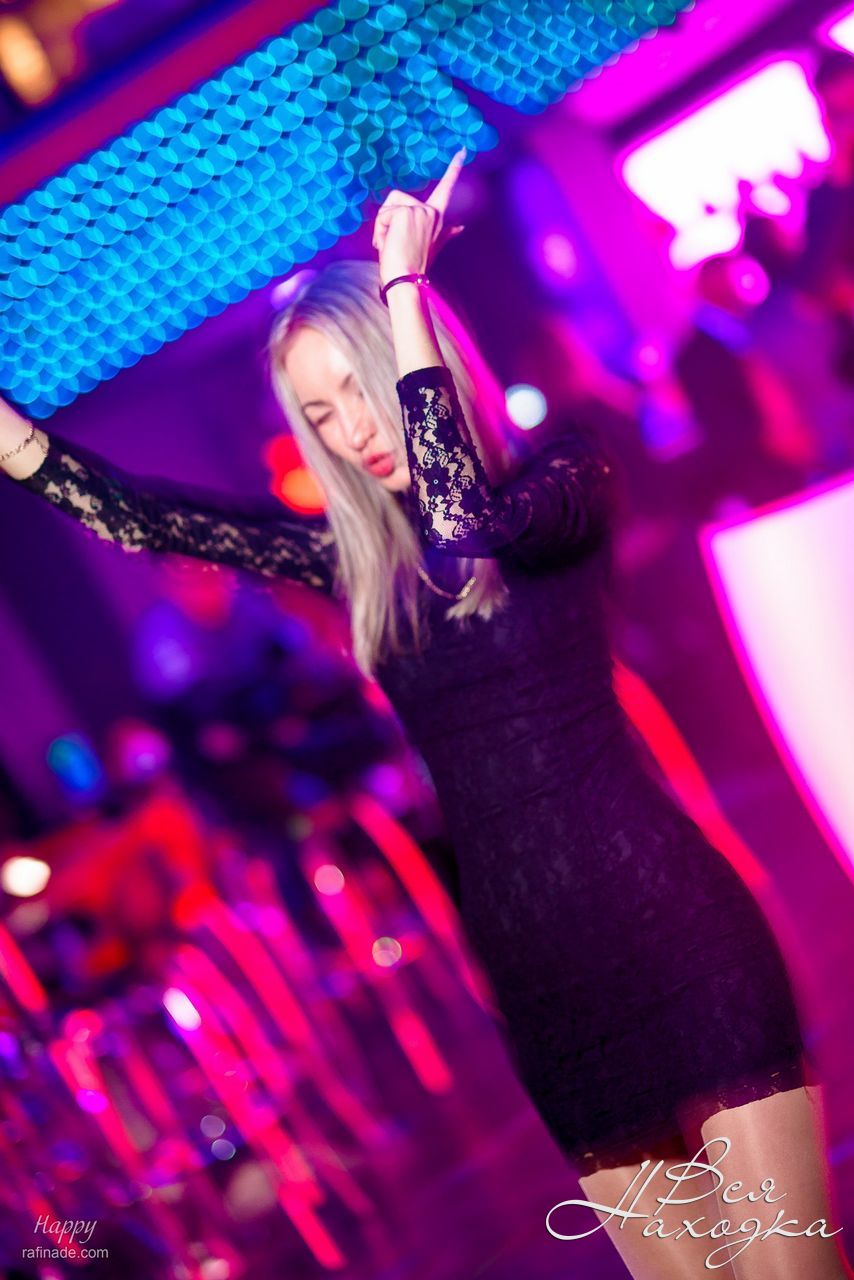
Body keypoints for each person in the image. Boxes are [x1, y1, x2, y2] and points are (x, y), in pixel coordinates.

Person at [1, 154, 849, 1280]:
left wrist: (400, 287)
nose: (351, 428)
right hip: (547, 989)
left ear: (410, 357)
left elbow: (463, 523)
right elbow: (138, 516)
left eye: (359, 386)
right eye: (319, 412)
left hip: (679, 929)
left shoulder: (560, 477)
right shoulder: (354, 566)